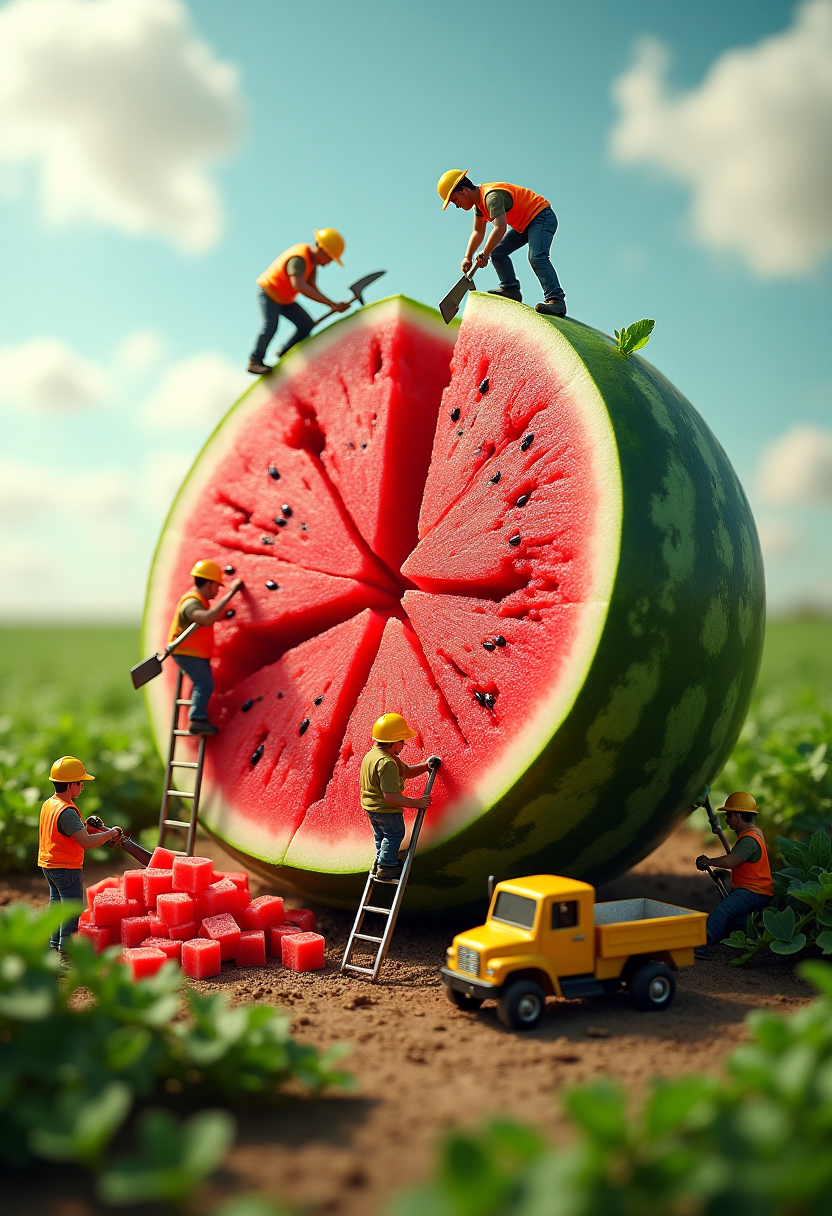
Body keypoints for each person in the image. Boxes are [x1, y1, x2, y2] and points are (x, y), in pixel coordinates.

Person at [436, 170, 567, 317]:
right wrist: (468, 257)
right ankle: (511, 289)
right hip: (523, 224)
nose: (457, 206)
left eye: (455, 200)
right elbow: (478, 232)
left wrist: (484, 254)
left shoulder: (491, 197)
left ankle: (556, 300)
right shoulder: (479, 205)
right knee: (497, 252)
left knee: (536, 257)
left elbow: (500, 228)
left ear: (464, 190)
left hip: (541, 217)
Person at [39, 756, 122, 955]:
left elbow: (66, 833)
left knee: (57, 906)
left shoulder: (50, 804)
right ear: (70, 784)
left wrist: (90, 829)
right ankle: (66, 955)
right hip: (66, 867)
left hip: (49, 864)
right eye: (80, 783)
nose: (82, 787)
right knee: (71, 909)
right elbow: (85, 842)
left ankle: (53, 947)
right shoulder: (67, 812)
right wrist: (110, 834)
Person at [248, 228, 352, 374]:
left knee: (306, 324)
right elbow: (299, 285)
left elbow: (312, 287)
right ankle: (254, 360)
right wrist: (330, 303)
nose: (329, 263)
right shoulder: (299, 258)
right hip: (269, 292)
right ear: (321, 249)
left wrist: (333, 303)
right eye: (329, 257)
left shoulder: (312, 263)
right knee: (270, 325)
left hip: (285, 298)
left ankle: (285, 352)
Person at [167, 560, 243, 735]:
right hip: (187, 653)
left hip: (194, 654)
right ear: (208, 583)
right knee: (204, 683)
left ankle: (197, 716)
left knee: (202, 682)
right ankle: (197, 719)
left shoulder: (200, 601)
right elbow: (206, 619)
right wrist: (231, 593)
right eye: (217, 586)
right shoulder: (191, 603)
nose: (218, 591)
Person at [694, 791, 773, 959]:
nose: (727, 821)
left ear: (737, 815)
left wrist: (708, 862)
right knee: (737, 921)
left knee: (722, 910)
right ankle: (745, 945)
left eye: (728, 816)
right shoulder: (753, 833)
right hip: (757, 890)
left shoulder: (749, 839)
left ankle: (702, 946)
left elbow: (732, 861)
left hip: (753, 892)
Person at [360, 713, 436, 882]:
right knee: (394, 834)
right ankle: (386, 867)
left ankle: (379, 863)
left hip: (371, 808)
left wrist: (424, 767)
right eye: (402, 740)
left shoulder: (372, 755)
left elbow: (406, 772)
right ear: (394, 742)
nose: (404, 744)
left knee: (381, 836)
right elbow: (391, 797)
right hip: (385, 809)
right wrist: (416, 803)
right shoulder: (387, 763)